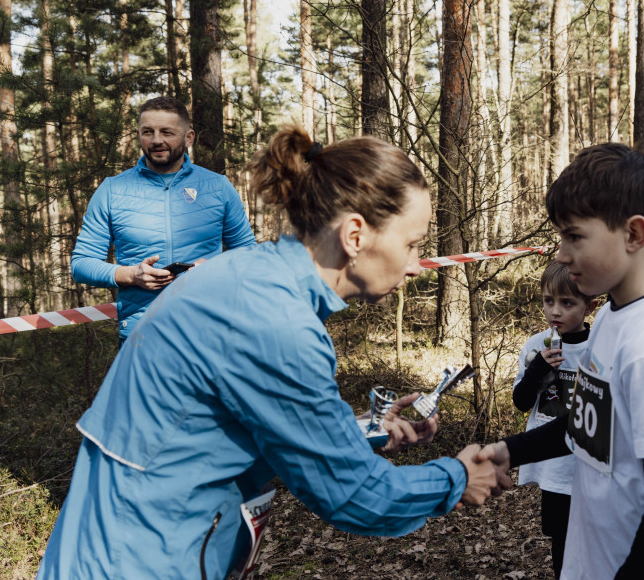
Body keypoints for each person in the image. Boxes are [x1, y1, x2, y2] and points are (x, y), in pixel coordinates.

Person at [39, 128, 501, 579]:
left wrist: (361, 429)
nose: (417, 265)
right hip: (141, 554)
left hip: (137, 542)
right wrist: (456, 478)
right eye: (411, 244)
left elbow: (240, 420)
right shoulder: (272, 320)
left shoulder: (252, 278)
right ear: (355, 235)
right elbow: (356, 496)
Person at [480, 143, 644, 579]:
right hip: (596, 557)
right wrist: (508, 451)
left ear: (633, 234)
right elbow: (586, 427)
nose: (562, 255)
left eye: (574, 237)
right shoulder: (610, 315)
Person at [71, 96, 257, 345]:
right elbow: (81, 264)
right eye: (148, 132)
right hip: (142, 333)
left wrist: (215, 270)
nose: (157, 140)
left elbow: (249, 256)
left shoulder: (218, 187)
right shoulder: (112, 190)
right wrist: (129, 274)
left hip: (211, 330)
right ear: (138, 134)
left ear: (189, 138)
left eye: (167, 132)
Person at [512, 261, 597, 579]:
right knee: (562, 542)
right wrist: (538, 370)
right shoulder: (536, 346)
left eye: (567, 302)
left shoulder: (599, 345)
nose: (555, 311)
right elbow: (521, 403)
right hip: (554, 468)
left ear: (591, 305)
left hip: (590, 464)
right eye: (549, 301)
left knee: (592, 540)